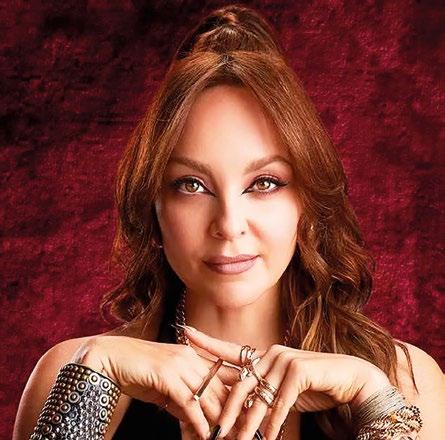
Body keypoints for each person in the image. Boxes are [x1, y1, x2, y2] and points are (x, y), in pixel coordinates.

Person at [13, 4, 444, 440]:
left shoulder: (403, 381)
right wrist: (89, 382)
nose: (229, 224)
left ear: (308, 203)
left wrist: (376, 404)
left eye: (264, 183)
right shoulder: (79, 372)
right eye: (192, 185)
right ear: (152, 206)